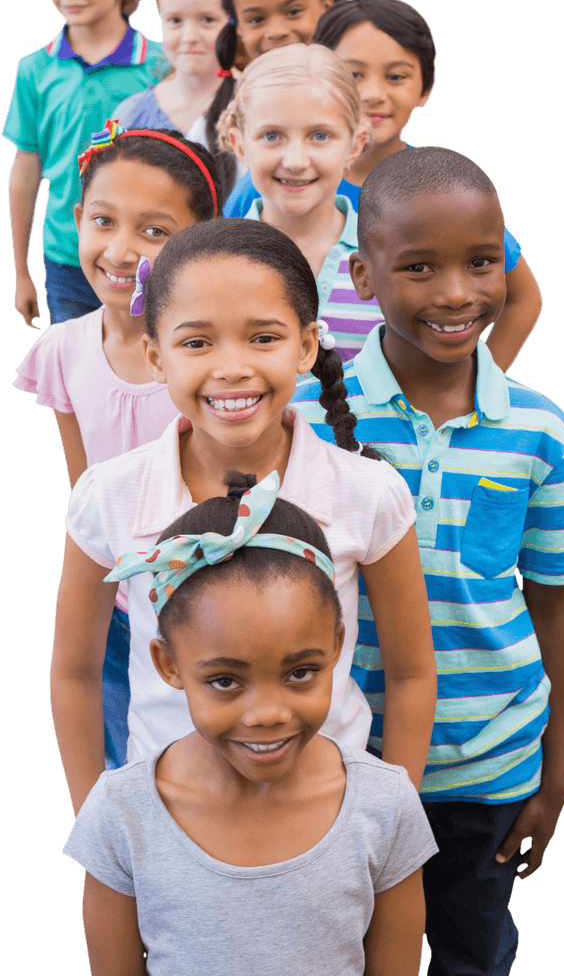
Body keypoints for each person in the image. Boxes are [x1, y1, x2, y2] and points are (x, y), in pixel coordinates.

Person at [292, 145, 564, 976]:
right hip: (340, 763)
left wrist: (559, 767)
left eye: (481, 263)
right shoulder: (307, 423)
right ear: (363, 276)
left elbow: (552, 599)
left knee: (472, 954)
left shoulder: (539, 429)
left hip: (490, 770)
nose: (458, 293)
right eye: (421, 267)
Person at [51, 217, 436, 817]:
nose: (231, 367)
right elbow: (75, 672)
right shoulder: (110, 495)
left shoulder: (368, 492)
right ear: (156, 356)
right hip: (168, 819)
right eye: (197, 342)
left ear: (307, 345)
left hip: (329, 816)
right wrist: (95, 821)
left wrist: (392, 820)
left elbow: (411, 673)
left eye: (263, 338)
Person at [63, 474, 438, 975]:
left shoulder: (386, 806)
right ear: (169, 665)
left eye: (300, 673)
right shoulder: (120, 815)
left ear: (338, 643)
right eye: (224, 681)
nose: (268, 714)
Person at [15, 121, 221, 768]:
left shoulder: (213, 358)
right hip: (117, 606)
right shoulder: (62, 350)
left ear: (199, 240)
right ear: (75, 218)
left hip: (211, 600)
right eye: (103, 221)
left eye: (154, 232)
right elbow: (86, 498)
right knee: (121, 758)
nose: (121, 250)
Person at [227, 0, 542, 371]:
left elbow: (522, 295)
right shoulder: (261, 187)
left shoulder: (434, 190)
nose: (373, 94)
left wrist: (482, 387)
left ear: (426, 88)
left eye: (396, 76)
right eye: (354, 74)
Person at [3, 0, 164, 327]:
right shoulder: (34, 71)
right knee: (73, 379)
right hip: (67, 258)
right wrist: (20, 273)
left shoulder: (164, 67)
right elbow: (25, 172)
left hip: (149, 257)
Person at [218, 42, 382, 363]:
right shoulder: (213, 260)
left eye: (320, 136)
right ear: (240, 146)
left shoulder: (386, 254)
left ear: (355, 145)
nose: (295, 161)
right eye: (271, 136)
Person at [205, 0, 344, 196]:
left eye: (294, 11)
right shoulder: (215, 122)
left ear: (327, 4)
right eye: (256, 19)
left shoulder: (360, 96)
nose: (277, 32)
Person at [115, 0, 245, 187]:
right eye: (175, 20)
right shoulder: (131, 116)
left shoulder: (257, 103)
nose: (189, 38)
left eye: (207, 19)